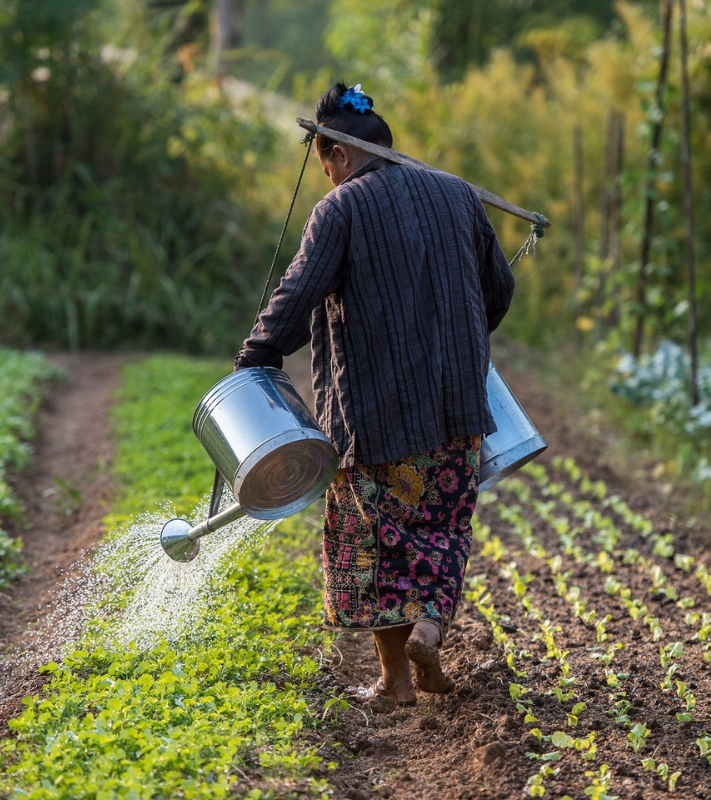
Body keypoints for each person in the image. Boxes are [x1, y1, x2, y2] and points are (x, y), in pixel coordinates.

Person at [235, 82, 515, 705]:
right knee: (444, 527)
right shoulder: (458, 195)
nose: (325, 176)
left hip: (372, 418)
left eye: (322, 163)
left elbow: (296, 296)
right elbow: (499, 289)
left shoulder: (340, 210)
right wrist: (458, 343)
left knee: (376, 544)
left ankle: (394, 682)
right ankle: (432, 627)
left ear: (337, 154)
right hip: (456, 410)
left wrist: (255, 357)